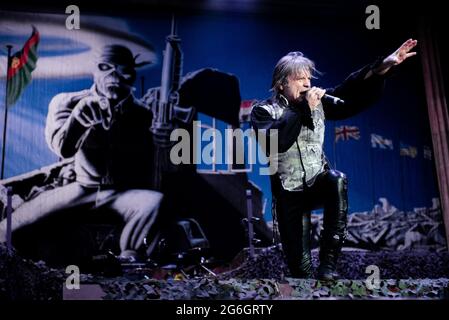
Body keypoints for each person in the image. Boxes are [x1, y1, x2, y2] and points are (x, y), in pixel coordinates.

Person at [251, 39, 418, 280]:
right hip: (289, 193)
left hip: (317, 180)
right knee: (301, 272)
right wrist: (303, 109)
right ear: (281, 84)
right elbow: (277, 141)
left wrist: (382, 67)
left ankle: (328, 265)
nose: (308, 83)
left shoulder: (319, 103)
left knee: (336, 181)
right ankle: (307, 278)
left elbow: (350, 91)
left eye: (309, 78)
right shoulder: (263, 112)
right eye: (300, 79)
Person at [0, 44, 163, 261]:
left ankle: (129, 262)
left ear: (133, 73)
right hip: (80, 188)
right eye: (106, 67)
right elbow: (62, 148)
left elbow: (156, 165)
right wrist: (78, 120)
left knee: (153, 202)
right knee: (9, 229)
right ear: (95, 71)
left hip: (121, 193)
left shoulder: (144, 114)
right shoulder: (68, 102)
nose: (113, 76)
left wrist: (165, 140)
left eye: (122, 69)